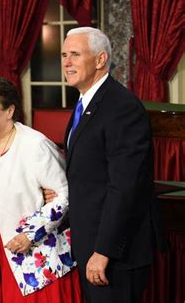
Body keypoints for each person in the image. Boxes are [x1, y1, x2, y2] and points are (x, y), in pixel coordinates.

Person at [61, 27, 165, 302]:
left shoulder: (121, 106)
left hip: (115, 254)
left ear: (100, 59)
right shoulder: (86, 102)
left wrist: (104, 251)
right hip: (91, 246)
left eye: (74, 54)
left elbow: (125, 186)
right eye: (63, 55)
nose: (66, 62)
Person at [0, 74, 82, 302]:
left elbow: (65, 194)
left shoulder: (35, 144)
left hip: (40, 258)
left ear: (9, 111)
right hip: (4, 251)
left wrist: (30, 234)